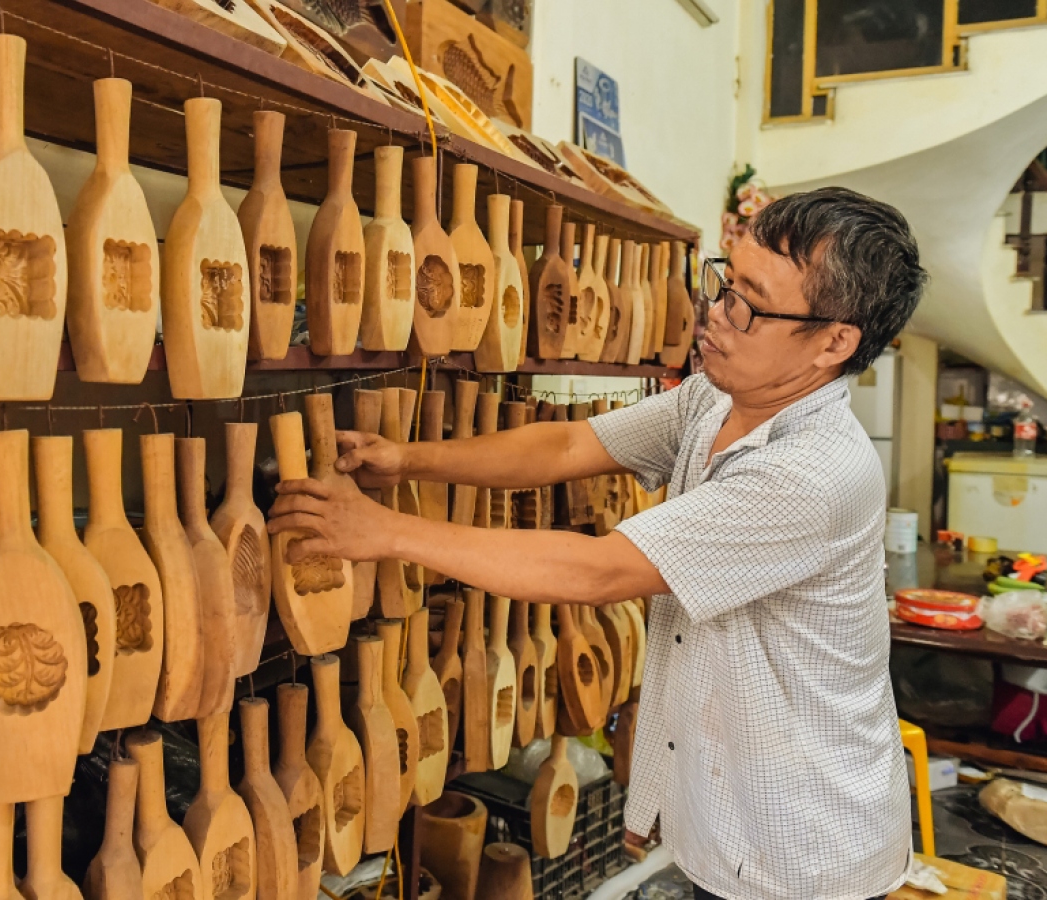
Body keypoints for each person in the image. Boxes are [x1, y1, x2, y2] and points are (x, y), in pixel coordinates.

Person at [267, 187, 929, 900]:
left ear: (835, 342)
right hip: (736, 816)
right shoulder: (718, 399)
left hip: (802, 848)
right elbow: (566, 445)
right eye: (722, 282)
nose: (715, 313)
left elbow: (597, 570)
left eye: (749, 304)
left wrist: (387, 530)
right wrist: (408, 461)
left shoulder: (813, 473)